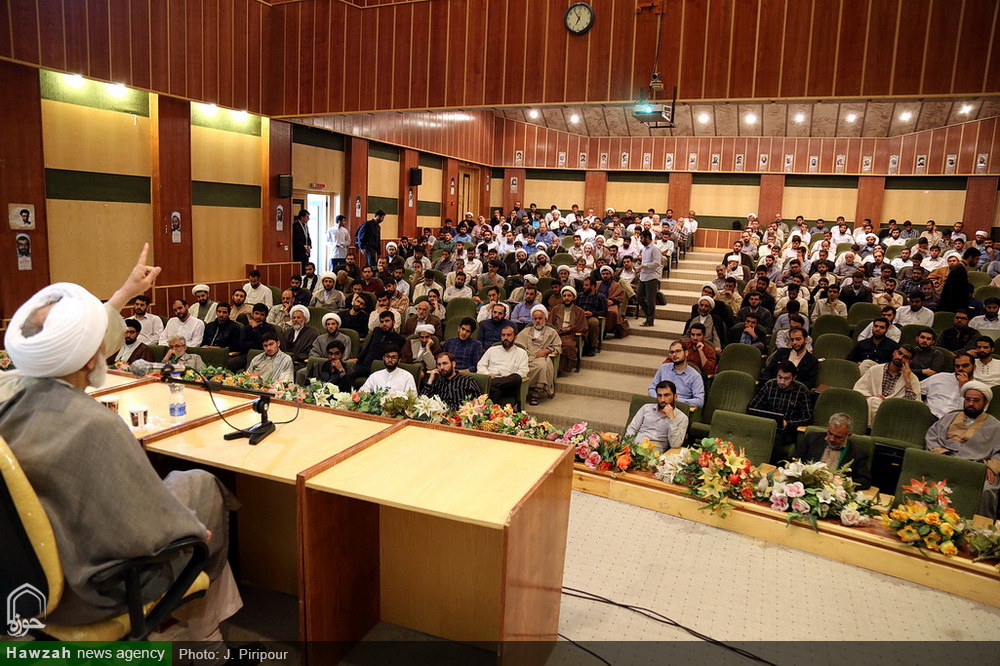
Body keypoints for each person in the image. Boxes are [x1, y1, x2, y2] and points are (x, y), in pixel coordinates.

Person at [0, 249, 241, 641]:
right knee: (201, 486)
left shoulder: (6, 388)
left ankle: (201, 630)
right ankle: (205, 636)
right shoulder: (94, 426)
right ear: (90, 358)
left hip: (18, 581)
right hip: (91, 594)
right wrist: (191, 529)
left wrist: (127, 291)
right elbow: (147, 530)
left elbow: (68, 343)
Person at [924, 381, 1000, 518]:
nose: (971, 404)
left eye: (976, 400)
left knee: (987, 490)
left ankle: (982, 529)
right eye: (968, 400)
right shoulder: (950, 417)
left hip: (975, 466)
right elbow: (932, 435)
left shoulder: (995, 426)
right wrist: (938, 451)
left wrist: (993, 467)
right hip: (945, 460)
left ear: (985, 403)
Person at [747, 361, 812, 456]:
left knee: (775, 437)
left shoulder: (802, 391)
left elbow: (807, 418)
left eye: (786, 379)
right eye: (779, 377)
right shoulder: (770, 385)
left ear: (794, 378)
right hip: (766, 426)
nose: (782, 382)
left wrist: (788, 423)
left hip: (788, 431)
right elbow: (752, 407)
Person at [795, 413, 872, 490]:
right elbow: (795, 462)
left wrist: (841, 483)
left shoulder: (858, 453)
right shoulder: (811, 439)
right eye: (830, 433)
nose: (831, 439)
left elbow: (864, 481)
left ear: (848, 435)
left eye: (838, 437)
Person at [853, 345, 921, 426]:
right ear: (894, 353)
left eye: (905, 357)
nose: (900, 357)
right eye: (899, 353)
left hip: (894, 412)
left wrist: (907, 380)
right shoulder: (875, 369)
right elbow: (858, 390)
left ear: (909, 362)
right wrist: (872, 398)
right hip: (870, 407)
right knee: (874, 401)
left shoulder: (912, 378)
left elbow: (913, 405)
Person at [626, 380, 689, 453]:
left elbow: (675, 444)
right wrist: (628, 445)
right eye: (659, 395)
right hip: (635, 448)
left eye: (666, 395)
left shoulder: (682, 418)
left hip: (655, 454)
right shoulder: (646, 408)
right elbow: (632, 428)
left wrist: (672, 418)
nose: (662, 400)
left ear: (675, 397)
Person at [514, 304, 560, 405]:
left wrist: (547, 350)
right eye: (535, 319)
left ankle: (536, 392)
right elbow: (517, 345)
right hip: (526, 356)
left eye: (540, 318)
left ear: (545, 319)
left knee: (542, 366)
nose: (537, 321)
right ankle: (520, 390)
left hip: (541, 356)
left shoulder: (552, 332)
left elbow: (558, 347)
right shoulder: (526, 331)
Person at [476, 325, 529, 407]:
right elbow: (480, 365)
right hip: (492, 379)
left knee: (516, 378)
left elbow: (523, 371)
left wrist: (507, 378)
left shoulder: (522, 353)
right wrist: (487, 374)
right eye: (503, 335)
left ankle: (490, 410)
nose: (505, 338)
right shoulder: (492, 350)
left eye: (509, 335)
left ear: (515, 337)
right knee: (495, 389)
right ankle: (494, 412)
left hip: (508, 385)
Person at [647, 341, 705, 407]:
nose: (674, 354)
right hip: (661, 405)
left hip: (680, 407)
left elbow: (699, 401)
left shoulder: (695, 376)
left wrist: (676, 400)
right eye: (671, 352)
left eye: (678, 351)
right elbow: (651, 389)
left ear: (686, 353)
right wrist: (662, 398)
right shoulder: (663, 368)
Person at [922, 353, 976, 419]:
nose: (960, 369)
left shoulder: (977, 387)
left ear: (974, 367)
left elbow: (972, 412)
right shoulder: (940, 377)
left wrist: (963, 387)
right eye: (957, 366)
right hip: (928, 415)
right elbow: (916, 390)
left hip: (954, 422)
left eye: (965, 366)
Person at [548, 286, 589, 373]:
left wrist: (569, 329)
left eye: (569, 296)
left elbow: (582, 327)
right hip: (556, 334)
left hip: (570, 335)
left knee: (567, 346)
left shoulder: (579, 311)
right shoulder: (556, 309)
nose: (566, 298)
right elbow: (549, 324)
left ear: (574, 297)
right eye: (564, 296)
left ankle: (559, 369)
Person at [353, 310, 405, 376]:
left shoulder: (399, 339)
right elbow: (368, 347)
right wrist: (357, 358)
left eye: (387, 321)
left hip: (380, 368)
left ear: (394, 322)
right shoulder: (377, 331)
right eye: (382, 321)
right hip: (365, 364)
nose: (384, 324)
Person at [228, 303, 276, 370]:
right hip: (246, 355)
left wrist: (255, 328)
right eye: (256, 313)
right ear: (252, 314)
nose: (259, 316)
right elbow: (242, 345)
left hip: (264, 355)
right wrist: (256, 344)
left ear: (266, 316)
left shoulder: (270, 328)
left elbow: (264, 345)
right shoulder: (246, 328)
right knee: (231, 364)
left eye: (262, 314)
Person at [282, 304, 319, 371]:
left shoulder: (313, 332)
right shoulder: (287, 332)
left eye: (298, 317)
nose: (295, 320)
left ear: (304, 319)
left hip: (302, 364)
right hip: (286, 362)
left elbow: (311, 351)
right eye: (294, 318)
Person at [574, 277, 605, 356]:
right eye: (584, 285)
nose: (584, 287)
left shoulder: (600, 297)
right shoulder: (579, 295)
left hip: (591, 317)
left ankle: (592, 347)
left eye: (586, 285)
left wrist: (592, 313)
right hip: (580, 317)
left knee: (593, 323)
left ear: (593, 286)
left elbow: (604, 312)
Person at [638, 230, 661, 326]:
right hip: (643, 276)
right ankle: (648, 316)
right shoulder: (644, 249)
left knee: (650, 300)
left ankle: (650, 320)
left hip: (652, 277)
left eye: (642, 238)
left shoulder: (655, 249)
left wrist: (644, 266)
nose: (640, 240)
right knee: (639, 297)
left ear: (647, 237)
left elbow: (657, 263)